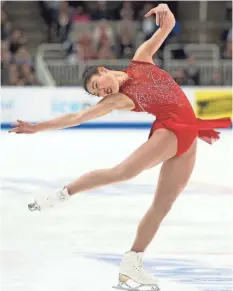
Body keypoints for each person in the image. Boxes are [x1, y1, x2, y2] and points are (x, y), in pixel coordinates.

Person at [9, 4, 231, 291]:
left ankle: (131, 265)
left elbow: (166, 26)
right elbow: (76, 117)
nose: (102, 92)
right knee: (122, 173)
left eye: (97, 85)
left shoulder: (141, 58)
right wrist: (38, 127)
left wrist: (164, 7)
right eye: (96, 93)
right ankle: (62, 194)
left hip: (191, 133)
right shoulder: (116, 100)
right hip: (170, 130)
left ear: (103, 70)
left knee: (162, 206)